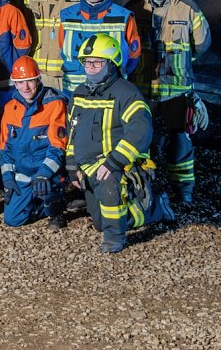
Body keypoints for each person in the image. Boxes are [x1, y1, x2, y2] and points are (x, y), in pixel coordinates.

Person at [67, 33, 176, 253]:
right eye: (87, 62)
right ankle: (152, 210)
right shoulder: (79, 94)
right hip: (88, 169)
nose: (91, 67)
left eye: (97, 62)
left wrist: (114, 162)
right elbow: (73, 133)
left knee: (110, 195)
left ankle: (115, 239)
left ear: (112, 63)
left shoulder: (126, 93)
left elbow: (140, 131)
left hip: (117, 165)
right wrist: (72, 167)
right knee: (100, 222)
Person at [125, 0, 212, 204]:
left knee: (180, 139)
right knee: (141, 139)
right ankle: (143, 187)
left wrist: (181, 65)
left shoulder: (189, 8)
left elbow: (202, 44)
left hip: (177, 89)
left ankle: (183, 190)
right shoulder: (132, 10)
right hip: (141, 89)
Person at [0, 56, 68, 229]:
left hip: (47, 172)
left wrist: (44, 173)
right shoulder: (9, 108)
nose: (26, 87)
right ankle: (39, 206)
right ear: (14, 84)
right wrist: (7, 178)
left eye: (30, 81)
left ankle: (57, 203)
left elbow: (57, 147)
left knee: (49, 192)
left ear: (38, 79)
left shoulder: (55, 104)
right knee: (12, 220)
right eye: (21, 82)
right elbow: (5, 149)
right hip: (23, 174)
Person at [58, 0, 141, 97]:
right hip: (73, 93)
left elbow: (134, 55)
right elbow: (62, 47)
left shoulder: (123, 17)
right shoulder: (67, 16)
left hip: (111, 92)